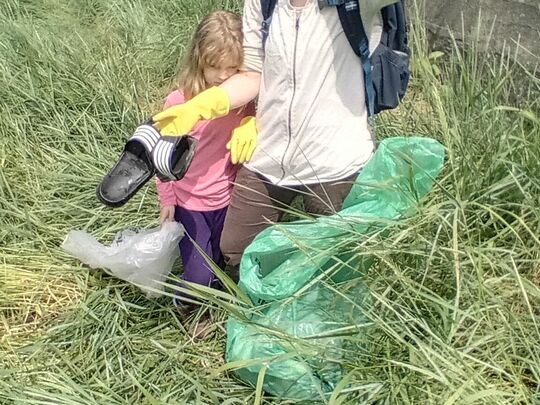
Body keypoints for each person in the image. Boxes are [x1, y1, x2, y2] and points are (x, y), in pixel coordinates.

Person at [152, 0, 399, 279]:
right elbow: (252, 72)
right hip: (270, 152)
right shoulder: (263, 3)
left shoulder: (353, 5)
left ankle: (322, 311)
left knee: (337, 259)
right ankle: (254, 307)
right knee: (235, 248)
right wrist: (205, 104)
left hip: (333, 159)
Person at [155, 10, 255, 328]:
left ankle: (220, 300)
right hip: (190, 204)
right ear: (199, 60)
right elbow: (161, 156)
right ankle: (186, 304)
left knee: (224, 261)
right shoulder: (178, 103)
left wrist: (254, 123)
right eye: (216, 67)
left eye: (233, 67)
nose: (225, 76)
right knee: (199, 272)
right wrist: (167, 198)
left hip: (228, 198)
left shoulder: (242, 102)